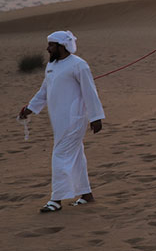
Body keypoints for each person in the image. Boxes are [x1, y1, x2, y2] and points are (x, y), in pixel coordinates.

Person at [18, 31, 104, 213]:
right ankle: (86, 194)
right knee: (76, 156)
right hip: (59, 120)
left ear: (61, 46)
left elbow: (90, 92)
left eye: (51, 45)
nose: (47, 48)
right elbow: (44, 90)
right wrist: (30, 108)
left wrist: (96, 117)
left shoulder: (79, 65)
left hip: (74, 119)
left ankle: (56, 200)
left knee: (60, 155)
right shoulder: (52, 66)